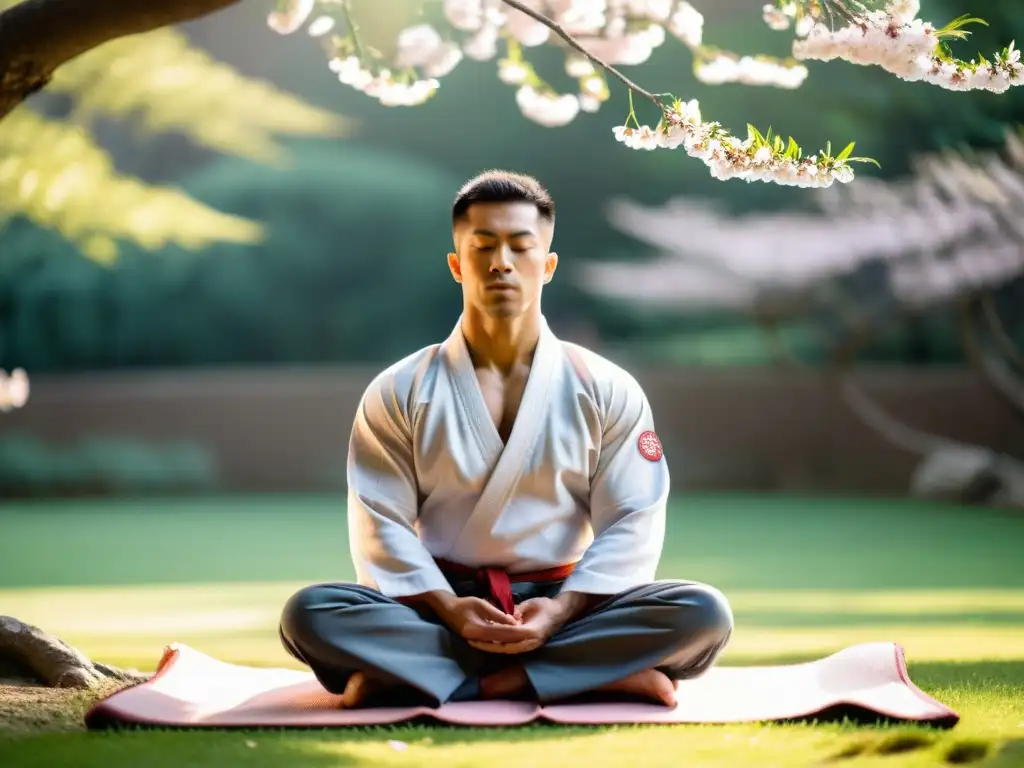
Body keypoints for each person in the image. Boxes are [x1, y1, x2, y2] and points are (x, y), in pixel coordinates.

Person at [279, 170, 733, 709]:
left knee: (702, 613)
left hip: (568, 605)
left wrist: (561, 610)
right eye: (483, 246)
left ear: (548, 263)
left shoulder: (605, 387)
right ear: (456, 264)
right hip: (436, 604)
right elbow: (380, 522)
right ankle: (586, 673)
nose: (501, 262)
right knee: (310, 614)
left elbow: (633, 518)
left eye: (521, 246)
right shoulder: (401, 389)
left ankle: (444, 676)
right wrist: (450, 607)